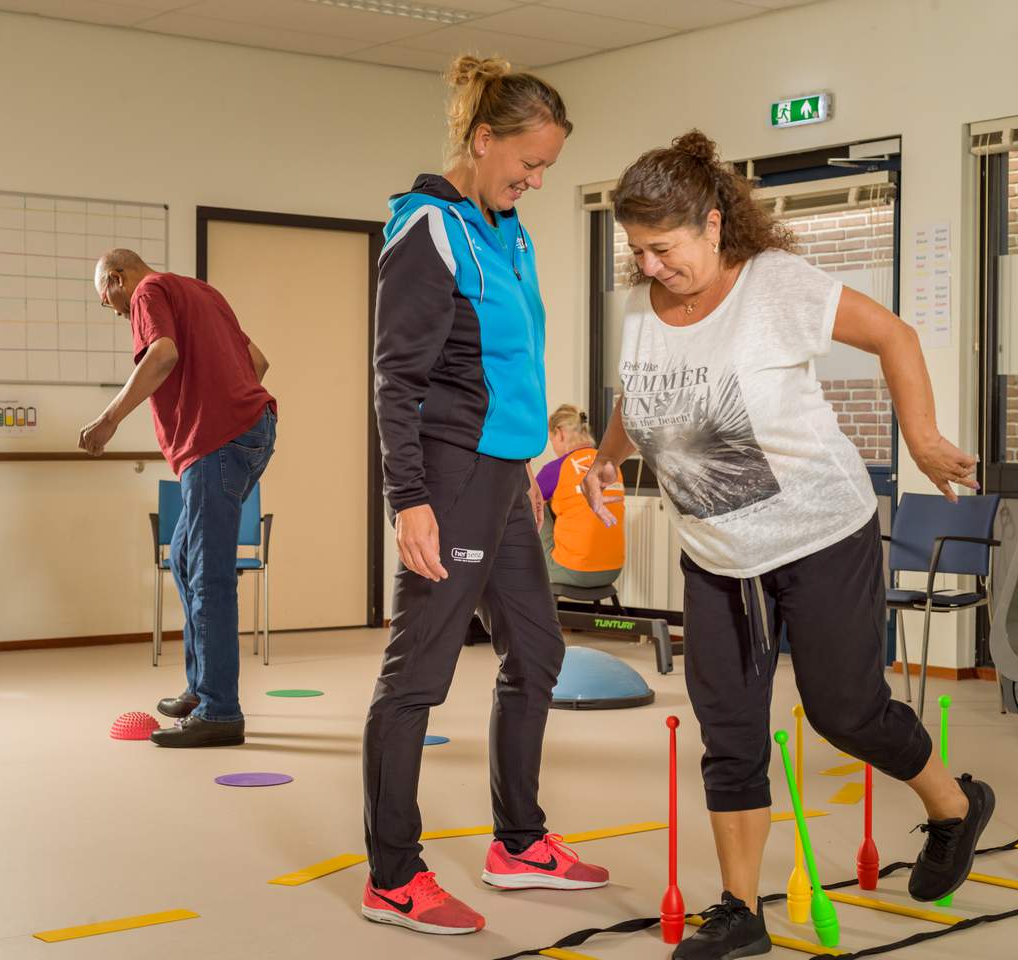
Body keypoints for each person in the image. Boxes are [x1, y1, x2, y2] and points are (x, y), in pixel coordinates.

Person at [581, 132, 994, 960]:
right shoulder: (642, 304)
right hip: (717, 553)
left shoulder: (775, 285)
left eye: (664, 248)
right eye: (637, 251)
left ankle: (954, 805)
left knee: (846, 712)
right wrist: (607, 455)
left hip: (818, 533)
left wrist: (918, 435)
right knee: (727, 731)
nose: (652, 266)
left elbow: (896, 337)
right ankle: (740, 910)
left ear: (710, 224)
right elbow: (644, 394)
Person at [364, 55, 608, 937]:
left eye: (547, 166)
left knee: (536, 653)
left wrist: (530, 476)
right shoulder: (426, 230)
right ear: (482, 139)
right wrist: (410, 498)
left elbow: (514, 361)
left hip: (504, 478)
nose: (536, 180)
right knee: (417, 676)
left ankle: (519, 844)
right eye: (526, 163)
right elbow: (396, 377)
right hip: (450, 472)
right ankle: (393, 875)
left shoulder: (507, 230)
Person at [80, 249, 276, 749]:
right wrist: (227, 400)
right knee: (188, 557)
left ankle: (220, 712)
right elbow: (257, 361)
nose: (118, 313)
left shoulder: (147, 292)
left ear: (117, 279)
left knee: (208, 571)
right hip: (250, 433)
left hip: (214, 443)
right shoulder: (202, 292)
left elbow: (162, 354)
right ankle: (201, 687)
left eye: (109, 300)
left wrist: (109, 419)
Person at [535, 404, 624, 588]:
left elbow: (525, 502)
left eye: (553, 441)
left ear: (560, 433)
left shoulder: (556, 468)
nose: (554, 448)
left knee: (534, 504)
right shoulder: (611, 464)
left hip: (572, 570)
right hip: (614, 570)